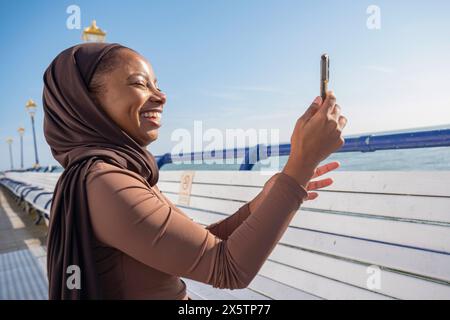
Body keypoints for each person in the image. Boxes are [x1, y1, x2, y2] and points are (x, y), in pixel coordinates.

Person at [42, 42, 347, 300]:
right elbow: (228, 268)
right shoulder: (105, 182)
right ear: (86, 102)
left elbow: (202, 244)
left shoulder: (113, 174)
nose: (160, 96)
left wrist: (263, 201)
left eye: (157, 85)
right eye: (139, 83)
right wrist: (302, 162)